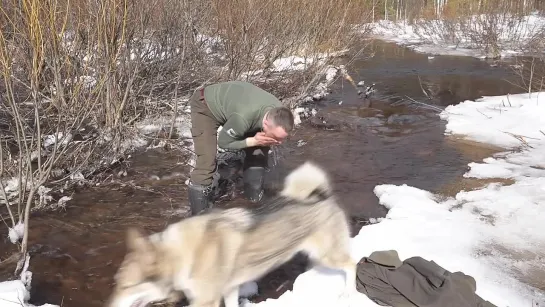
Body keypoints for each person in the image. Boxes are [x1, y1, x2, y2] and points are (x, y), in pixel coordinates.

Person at [188, 80, 295, 215]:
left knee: (258, 154)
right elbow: (224, 142)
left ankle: (255, 201)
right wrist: (251, 141)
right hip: (206, 107)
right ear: (266, 123)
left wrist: (259, 142)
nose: (278, 143)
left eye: (281, 139)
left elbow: (265, 137)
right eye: (275, 137)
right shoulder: (242, 118)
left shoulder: (280, 112)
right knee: (206, 162)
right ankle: (199, 219)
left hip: (240, 107)